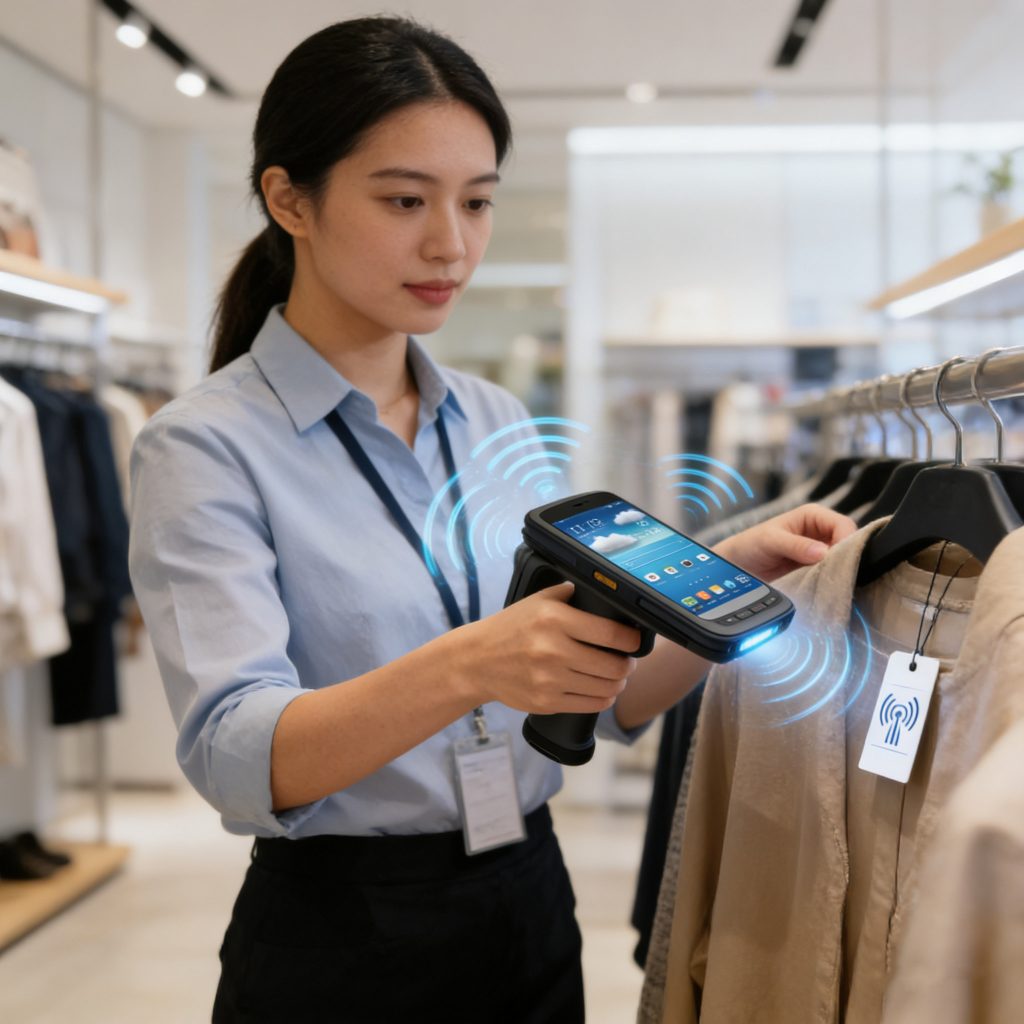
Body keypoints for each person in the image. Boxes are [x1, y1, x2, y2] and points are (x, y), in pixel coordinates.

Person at [128, 16, 856, 1024]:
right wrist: (474, 662)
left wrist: (724, 575)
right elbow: (235, 753)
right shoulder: (203, 445)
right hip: (343, 935)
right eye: (404, 200)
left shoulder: (494, 419)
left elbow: (604, 700)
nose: (452, 243)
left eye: (476, 201)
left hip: (527, 899)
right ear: (289, 198)